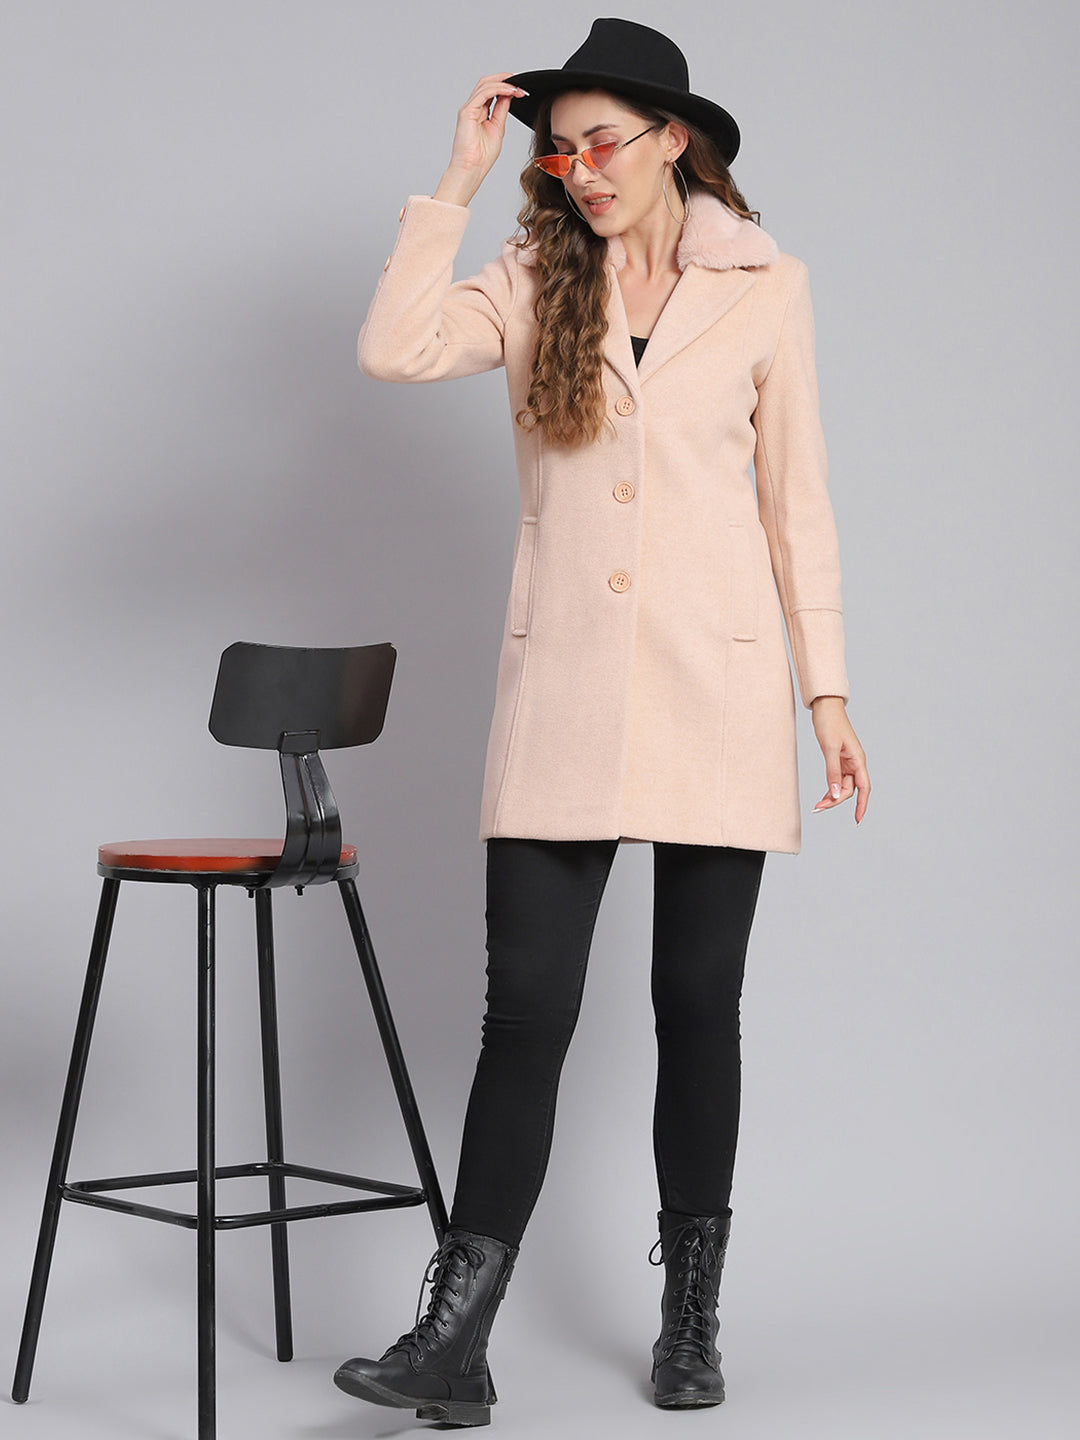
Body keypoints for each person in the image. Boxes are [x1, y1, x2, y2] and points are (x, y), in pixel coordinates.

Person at [334, 17, 870, 1428]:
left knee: (696, 1010)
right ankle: (453, 1341)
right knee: (525, 1015)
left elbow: (797, 502)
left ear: (671, 140)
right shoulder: (529, 278)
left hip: (719, 687)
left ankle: (690, 1321)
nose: (579, 170)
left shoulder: (767, 289)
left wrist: (827, 696)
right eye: (559, 152)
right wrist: (458, 180)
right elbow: (392, 349)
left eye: (602, 144)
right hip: (566, 687)